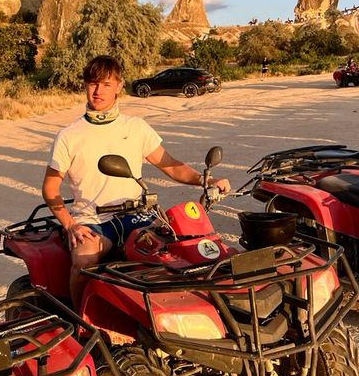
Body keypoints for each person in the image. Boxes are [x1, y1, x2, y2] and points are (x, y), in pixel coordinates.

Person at [41, 55, 231, 305]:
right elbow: (50, 188)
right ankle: (80, 319)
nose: (98, 91)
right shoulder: (69, 136)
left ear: (119, 86)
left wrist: (206, 181)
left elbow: (170, 165)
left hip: (136, 215)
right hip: (94, 220)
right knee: (85, 259)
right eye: (93, 83)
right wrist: (71, 225)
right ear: (85, 85)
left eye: (106, 84)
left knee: (179, 249)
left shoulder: (135, 127)